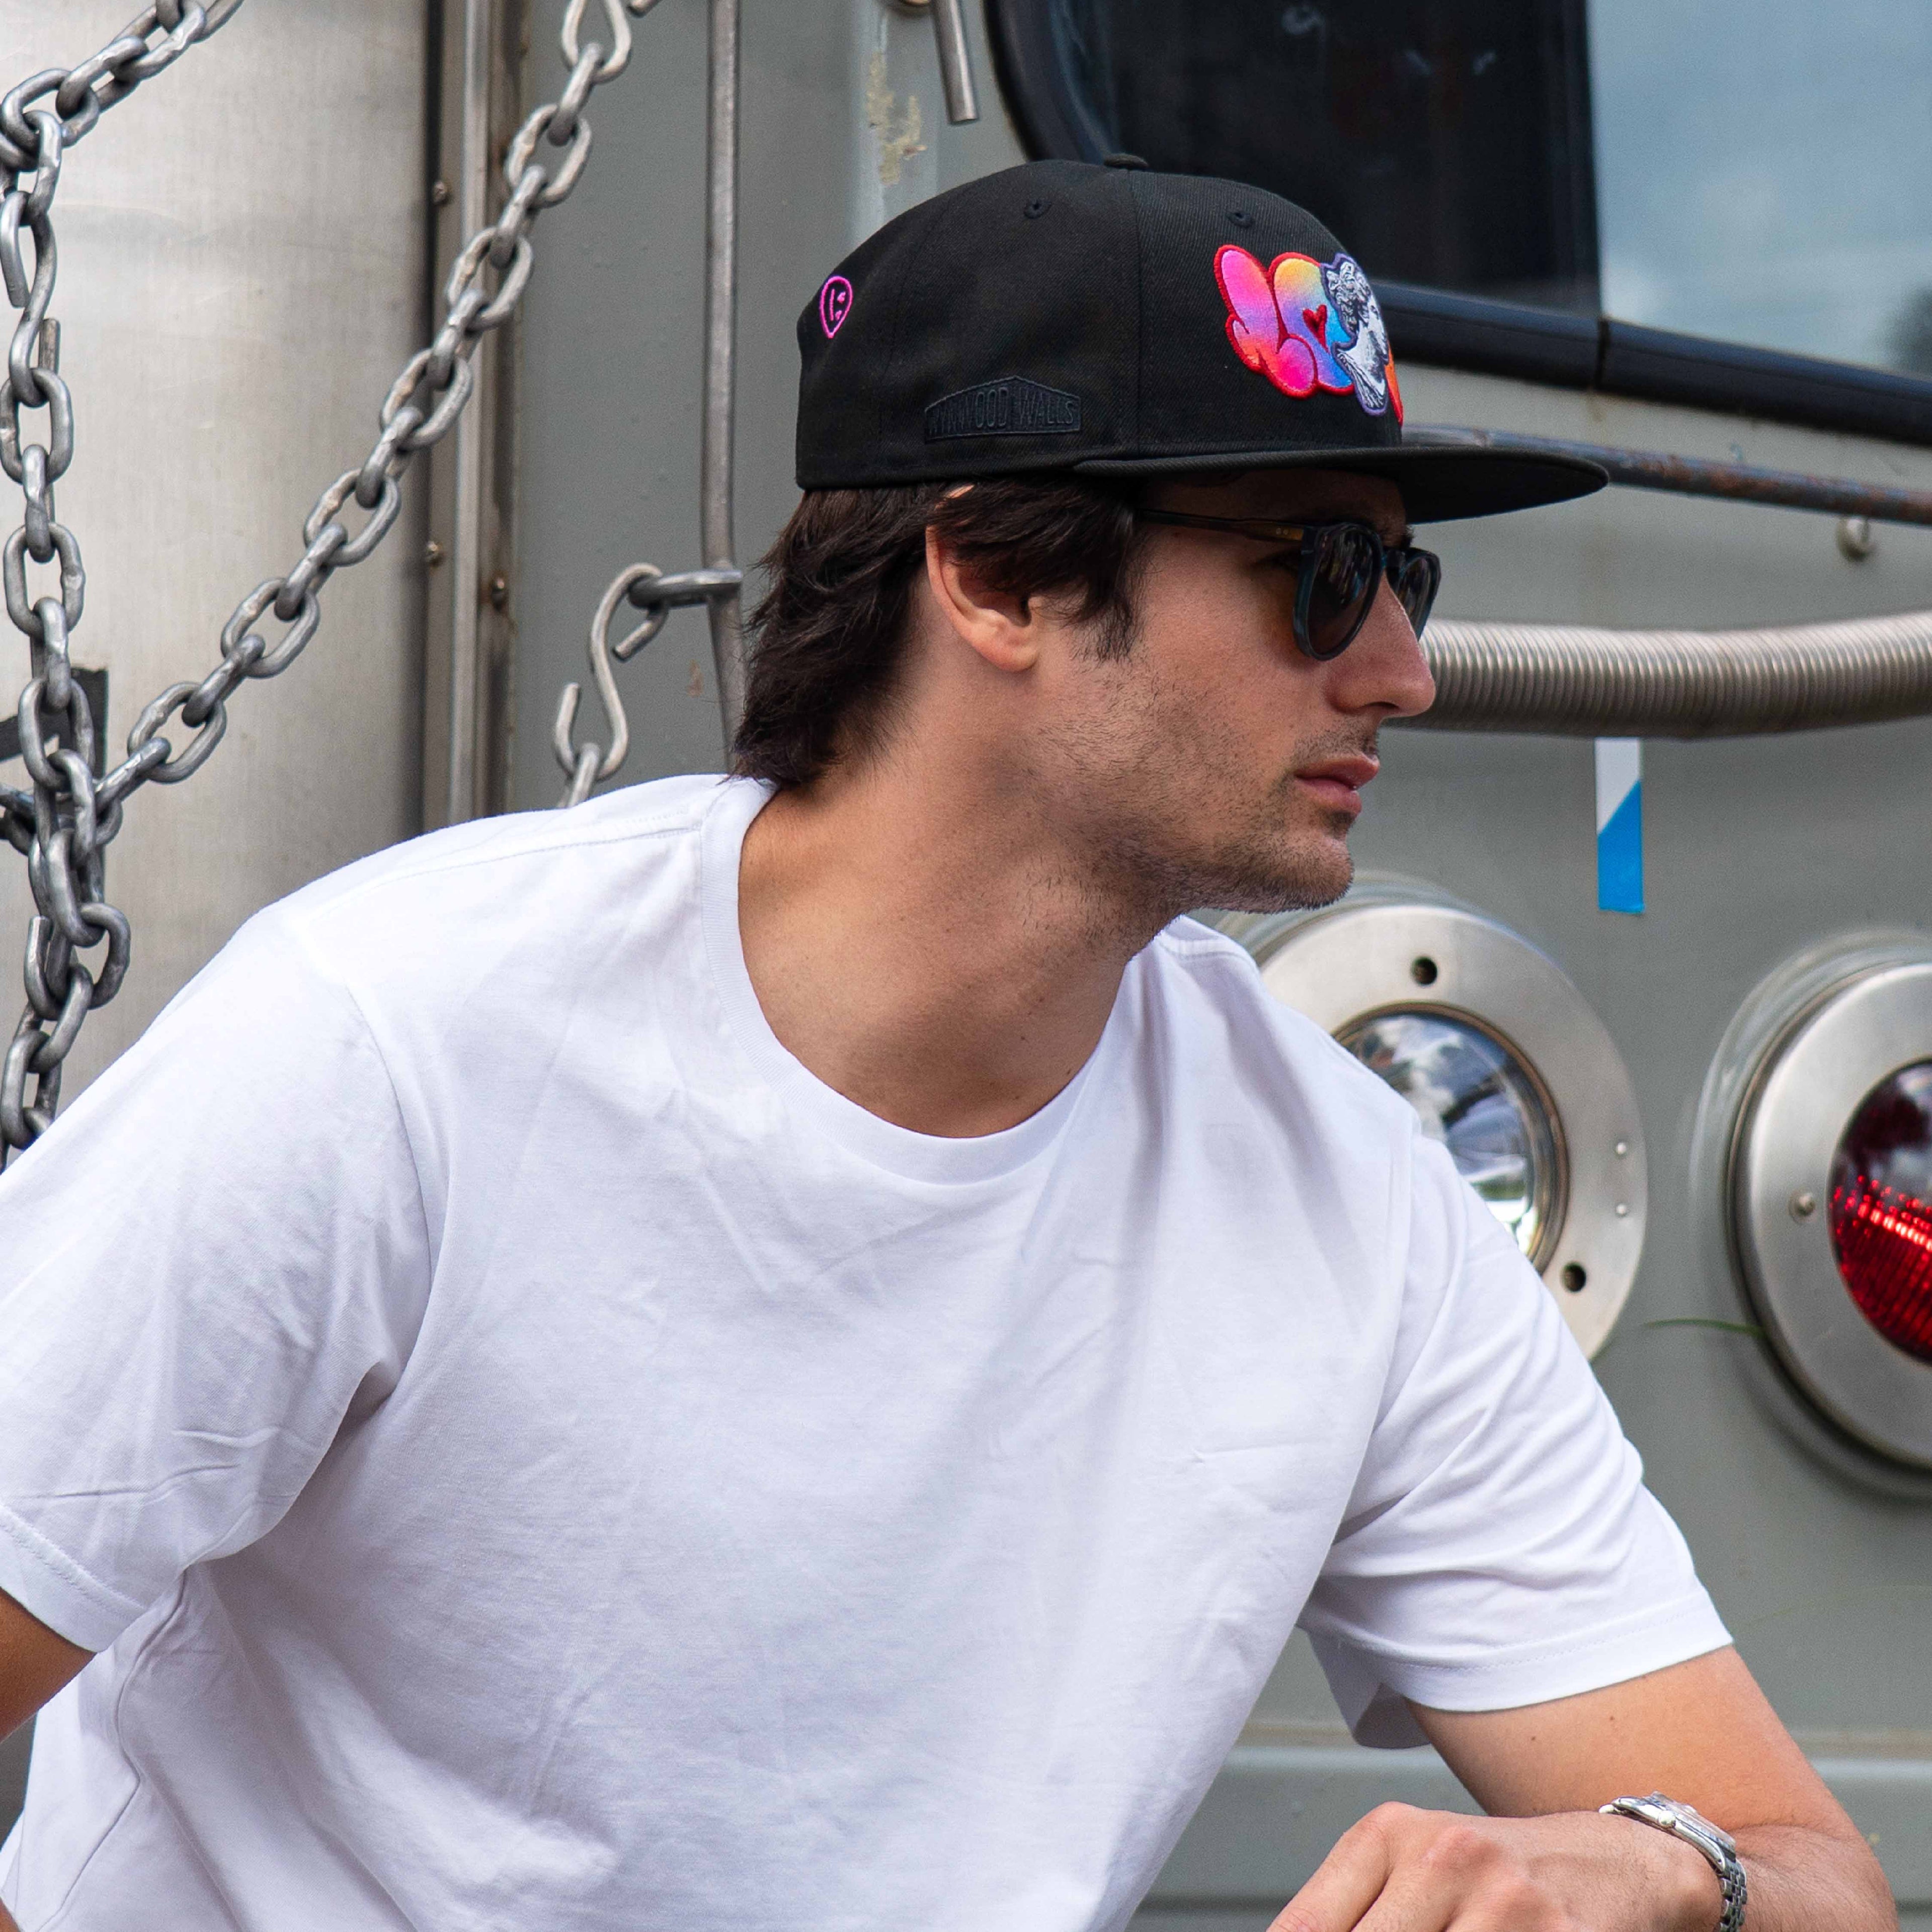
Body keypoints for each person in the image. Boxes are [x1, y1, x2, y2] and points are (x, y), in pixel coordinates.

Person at [0, 158, 1893, 1932]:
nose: (1401, 669)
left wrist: (1658, 1872)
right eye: (1321, 569)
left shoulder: (1353, 1205)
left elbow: (1817, 1872)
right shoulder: (394, 1046)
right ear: (990, 573)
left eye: (1411, 581)